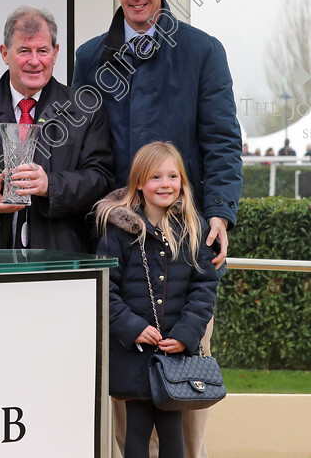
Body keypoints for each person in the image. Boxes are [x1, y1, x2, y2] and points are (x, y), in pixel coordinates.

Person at [72, 0, 240, 457]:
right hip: (120, 236)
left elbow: (222, 140)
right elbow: (83, 143)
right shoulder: (90, 56)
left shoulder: (202, 50)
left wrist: (219, 212)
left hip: (185, 235)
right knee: (126, 387)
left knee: (185, 384)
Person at [0, 6, 114, 251]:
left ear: (55, 53)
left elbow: (102, 180)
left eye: (43, 51)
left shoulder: (87, 110)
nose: (34, 61)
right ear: (5, 53)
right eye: (24, 51)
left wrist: (50, 185)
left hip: (62, 258)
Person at [96, 141, 218, 458]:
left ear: (182, 182)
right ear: (139, 182)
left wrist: (185, 335)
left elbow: (204, 288)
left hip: (174, 352)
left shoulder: (192, 228)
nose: (165, 184)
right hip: (133, 351)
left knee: (172, 429)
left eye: (173, 177)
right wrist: (132, 326)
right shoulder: (116, 231)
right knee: (136, 430)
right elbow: (105, 286)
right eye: (155, 177)